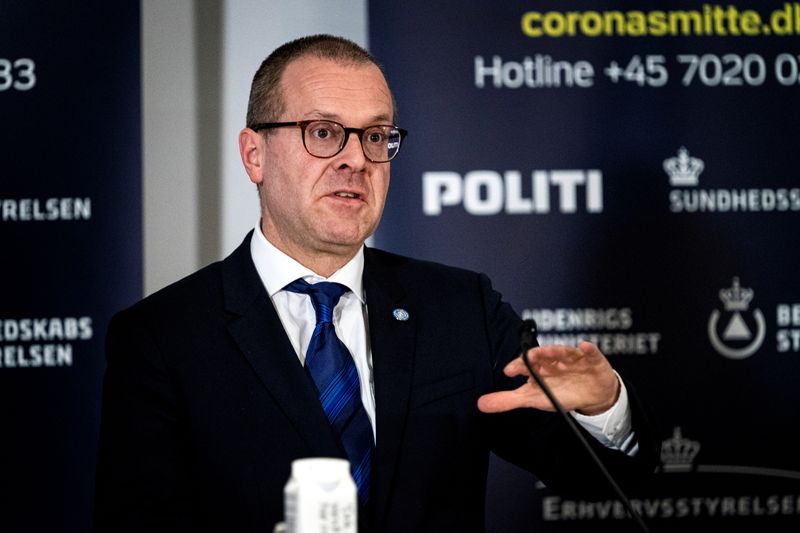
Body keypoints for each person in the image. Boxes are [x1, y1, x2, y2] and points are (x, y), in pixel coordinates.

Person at [93, 34, 658, 532]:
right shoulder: (162, 337)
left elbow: (601, 483)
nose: (356, 161)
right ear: (254, 154)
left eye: (376, 136)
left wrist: (605, 409)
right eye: (323, 132)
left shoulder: (462, 309)